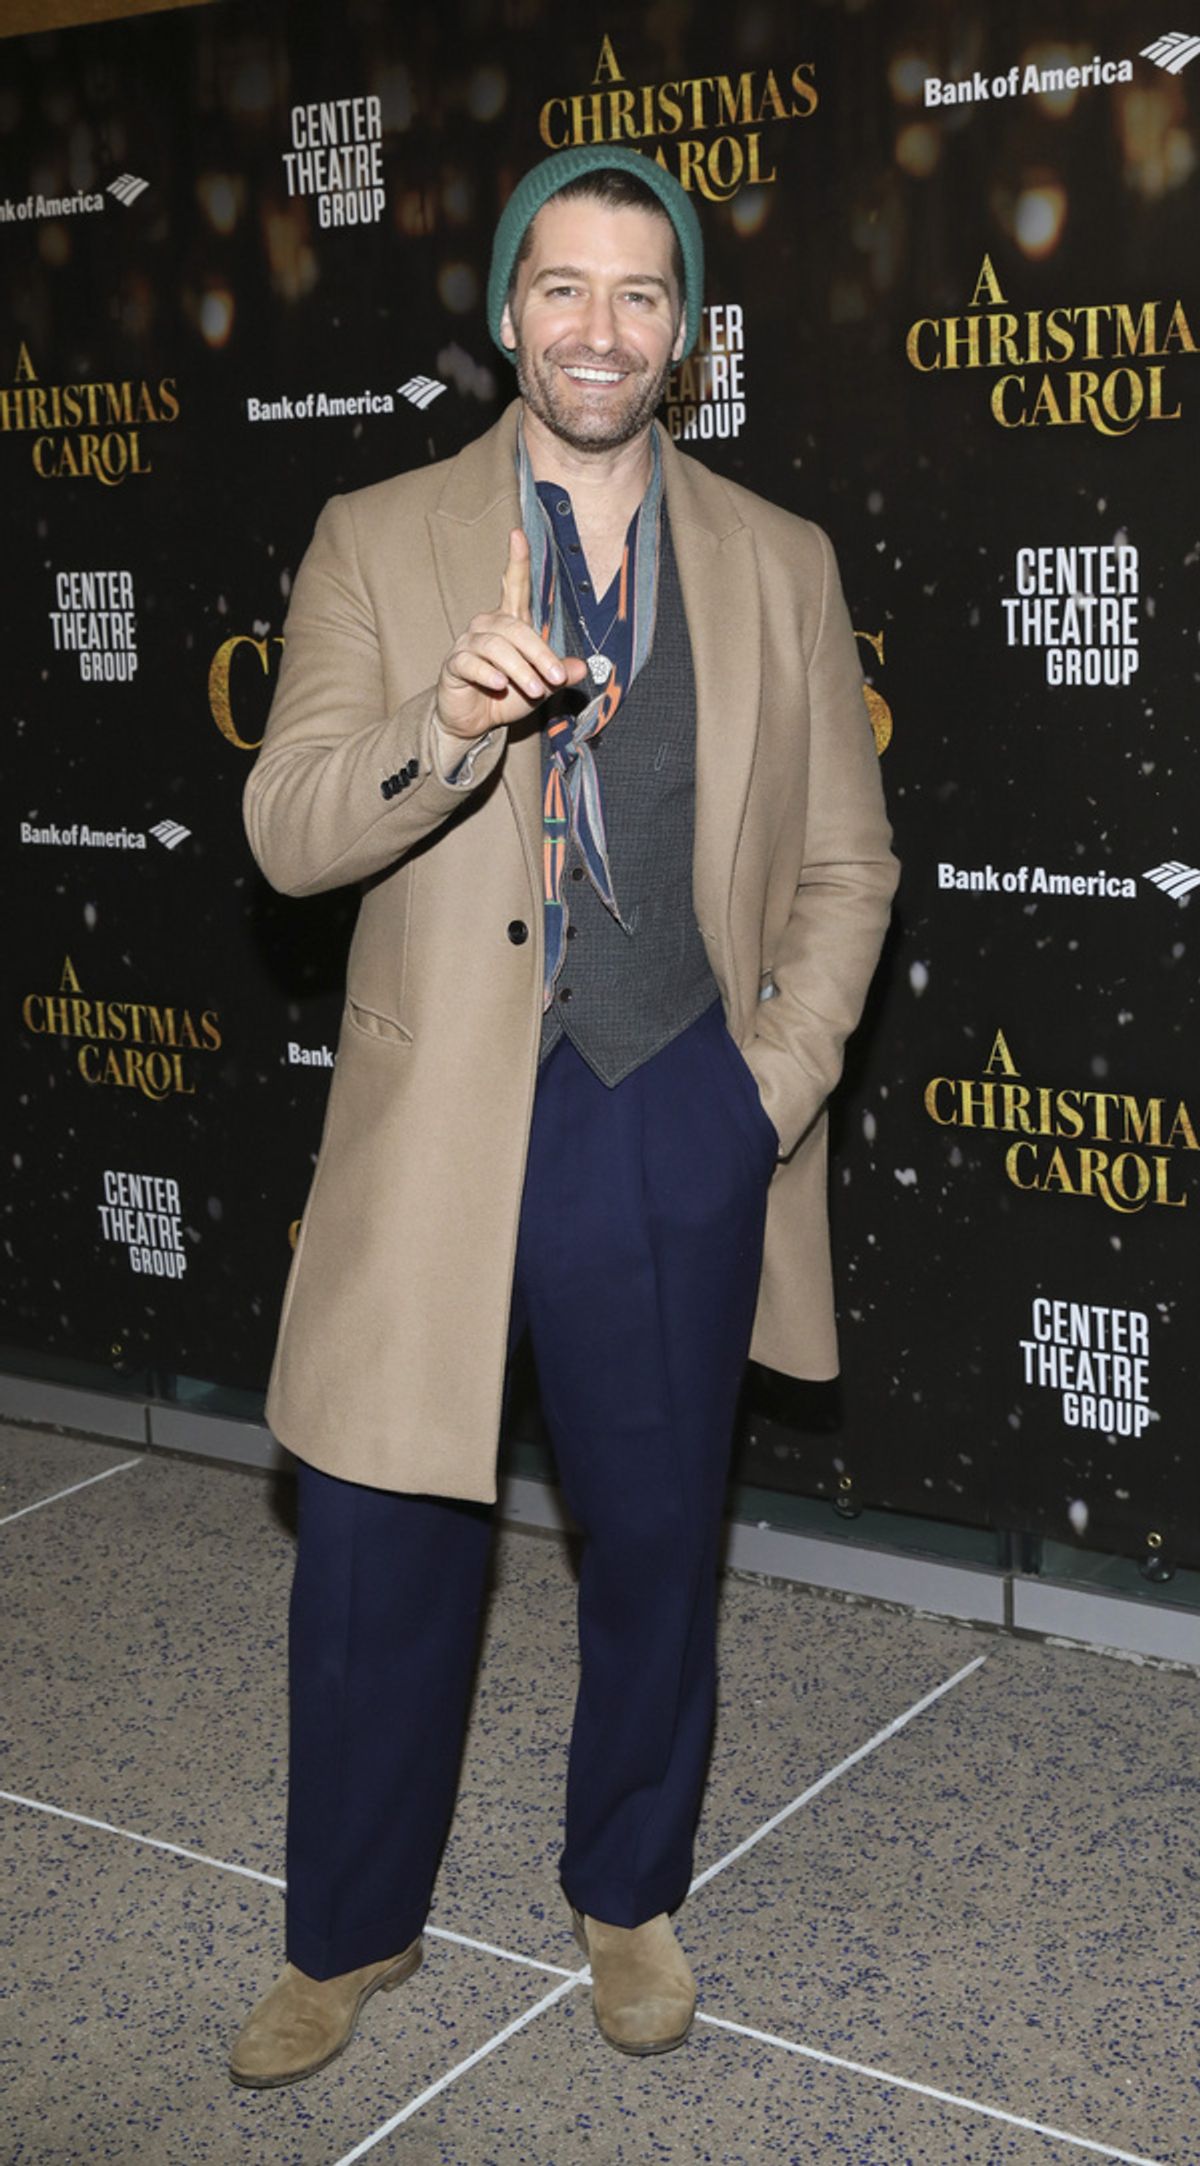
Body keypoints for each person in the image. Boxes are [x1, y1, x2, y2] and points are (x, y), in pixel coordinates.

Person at [232, 143, 898, 2087]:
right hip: (440, 1118)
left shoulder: (779, 559)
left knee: (659, 1539)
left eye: (639, 294)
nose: (598, 329)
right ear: (509, 309)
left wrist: (762, 1092)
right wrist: (446, 726)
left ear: (684, 337)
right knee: (376, 1550)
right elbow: (285, 832)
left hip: (668, 1106)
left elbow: (848, 865)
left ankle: (628, 1891)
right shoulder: (378, 537)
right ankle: (346, 1930)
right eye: (563, 288)